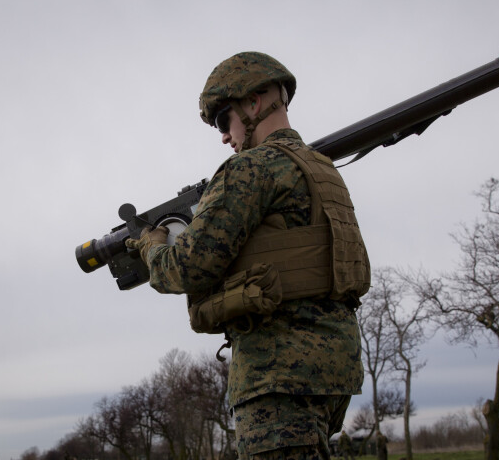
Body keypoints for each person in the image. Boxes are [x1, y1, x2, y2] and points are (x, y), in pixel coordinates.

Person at [126, 52, 370, 460]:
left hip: (277, 376)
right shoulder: (325, 171)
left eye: (224, 120)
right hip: (334, 371)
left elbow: (184, 268)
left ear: (254, 103)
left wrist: (152, 244)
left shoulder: (249, 170)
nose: (224, 136)